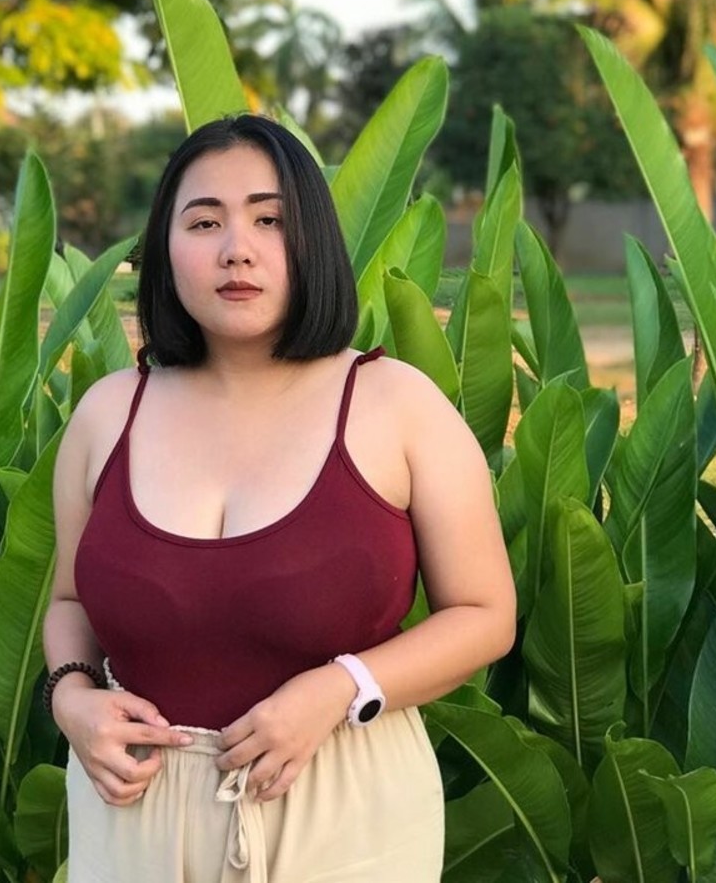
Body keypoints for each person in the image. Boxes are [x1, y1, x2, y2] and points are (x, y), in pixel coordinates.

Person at [43, 114, 516, 883]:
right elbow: (68, 601)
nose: (238, 248)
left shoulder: (396, 405)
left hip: (345, 802)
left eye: (270, 220)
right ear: (164, 248)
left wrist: (343, 688)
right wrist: (70, 699)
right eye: (204, 222)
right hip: (131, 813)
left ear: (313, 241)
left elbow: (485, 614)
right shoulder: (106, 414)